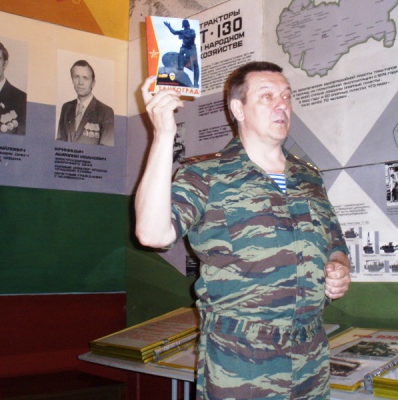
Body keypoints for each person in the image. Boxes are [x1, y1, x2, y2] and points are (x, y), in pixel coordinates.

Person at [135, 61, 352, 399]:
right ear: (238, 109)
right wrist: (163, 135)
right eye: (267, 96)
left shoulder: (308, 177)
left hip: (311, 357)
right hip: (241, 363)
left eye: (286, 96)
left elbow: (335, 241)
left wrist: (339, 265)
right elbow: (152, 233)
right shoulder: (206, 175)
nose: (281, 105)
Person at [57, 60, 114, 146]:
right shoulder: (66, 107)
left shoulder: (106, 112)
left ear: (93, 83)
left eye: (85, 78)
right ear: (72, 80)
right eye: (76, 77)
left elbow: (106, 150)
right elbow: (59, 142)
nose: (80, 82)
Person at [164, 19, 199, 88]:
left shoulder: (192, 31)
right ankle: (180, 67)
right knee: (181, 51)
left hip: (192, 48)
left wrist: (183, 36)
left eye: (186, 23)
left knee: (195, 65)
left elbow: (192, 36)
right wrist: (169, 26)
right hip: (185, 47)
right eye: (184, 24)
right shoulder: (182, 31)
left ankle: (195, 82)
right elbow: (174, 32)